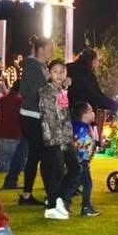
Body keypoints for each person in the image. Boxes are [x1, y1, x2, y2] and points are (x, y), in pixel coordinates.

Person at [39, 58, 79, 220]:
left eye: (62, 71)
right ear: (49, 73)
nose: (59, 75)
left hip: (65, 137)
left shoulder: (61, 89)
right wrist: (58, 140)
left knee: (74, 169)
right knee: (58, 172)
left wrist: (66, 85)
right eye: (55, 71)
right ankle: (54, 204)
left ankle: (58, 201)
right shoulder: (47, 92)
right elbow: (50, 118)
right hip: (55, 138)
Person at [16, 36, 52, 206]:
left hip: (35, 116)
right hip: (32, 116)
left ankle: (27, 194)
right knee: (41, 154)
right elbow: (32, 92)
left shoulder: (40, 66)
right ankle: (49, 193)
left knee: (35, 155)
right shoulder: (33, 67)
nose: (51, 51)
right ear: (42, 49)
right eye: (50, 48)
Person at [65, 47, 118, 140]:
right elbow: (97, 96)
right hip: (82, 115)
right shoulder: (88, 74)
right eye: (97, 61)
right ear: (93, 60)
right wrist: (115, 105)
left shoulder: (68, 68)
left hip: (66, 114)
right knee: (82, 145)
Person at [70, 101, 102, 216]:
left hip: (79, 161)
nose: (94, 114)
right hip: (81, 162)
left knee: (75, 183)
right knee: (87, 184)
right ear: (85, 115)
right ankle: (86, 207)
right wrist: (85, 161)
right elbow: (83, 147)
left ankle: (62, 201)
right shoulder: (83, 130)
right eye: (91, 111)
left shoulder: (80, 127)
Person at [0, 84, 26, 188]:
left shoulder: (2, 100)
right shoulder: (20, 100)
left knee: (5, 164)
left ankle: (7, 181)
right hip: (14, 135)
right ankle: (12, 181)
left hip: (1, 135)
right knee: (18, 162)